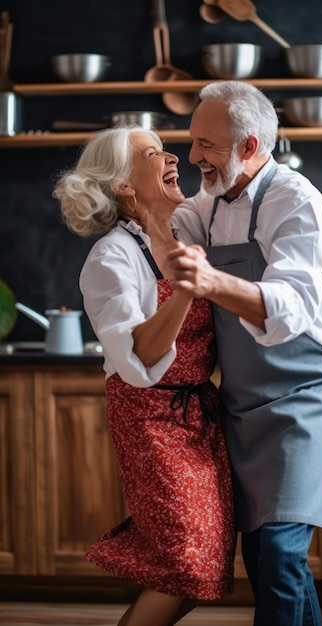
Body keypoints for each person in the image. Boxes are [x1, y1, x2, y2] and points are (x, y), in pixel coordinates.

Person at [168, 80, 322, 626]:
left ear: (250, 146)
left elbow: (292, 304)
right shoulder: (211, 201)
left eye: (207, 145)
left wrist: (210, 280)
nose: (193, 155)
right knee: (266, 558)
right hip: (243, 406)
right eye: (193, 141)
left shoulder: (294, 199)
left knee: (281, 553)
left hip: (300, 401)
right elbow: (171, 227)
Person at [52, 127, 235, 626]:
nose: (173, 156)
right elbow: (134, 358)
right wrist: (183, 294)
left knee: (205, 567)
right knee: (185, 559)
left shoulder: (188, 233)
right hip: (151, 418)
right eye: (153, 153)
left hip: (200, 413)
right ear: (124, 186)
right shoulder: (110, 257)